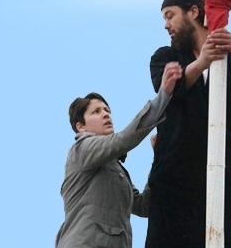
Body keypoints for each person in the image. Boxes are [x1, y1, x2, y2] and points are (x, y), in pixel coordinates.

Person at [145, 0, 231, 248]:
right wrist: (201, 62)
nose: (166, 25)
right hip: (178, 181)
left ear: (193, 11)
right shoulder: (164, 58)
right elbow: (167, 92)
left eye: (170, 16)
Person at [55, 62, 183, 248]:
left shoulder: (115, 169)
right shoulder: (81, 150)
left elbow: (143, 206)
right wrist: (163, 96)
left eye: (107, 110)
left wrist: (158, 159)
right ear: (80, 127)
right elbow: (123, 140)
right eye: (96, 112)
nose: (106, 115)